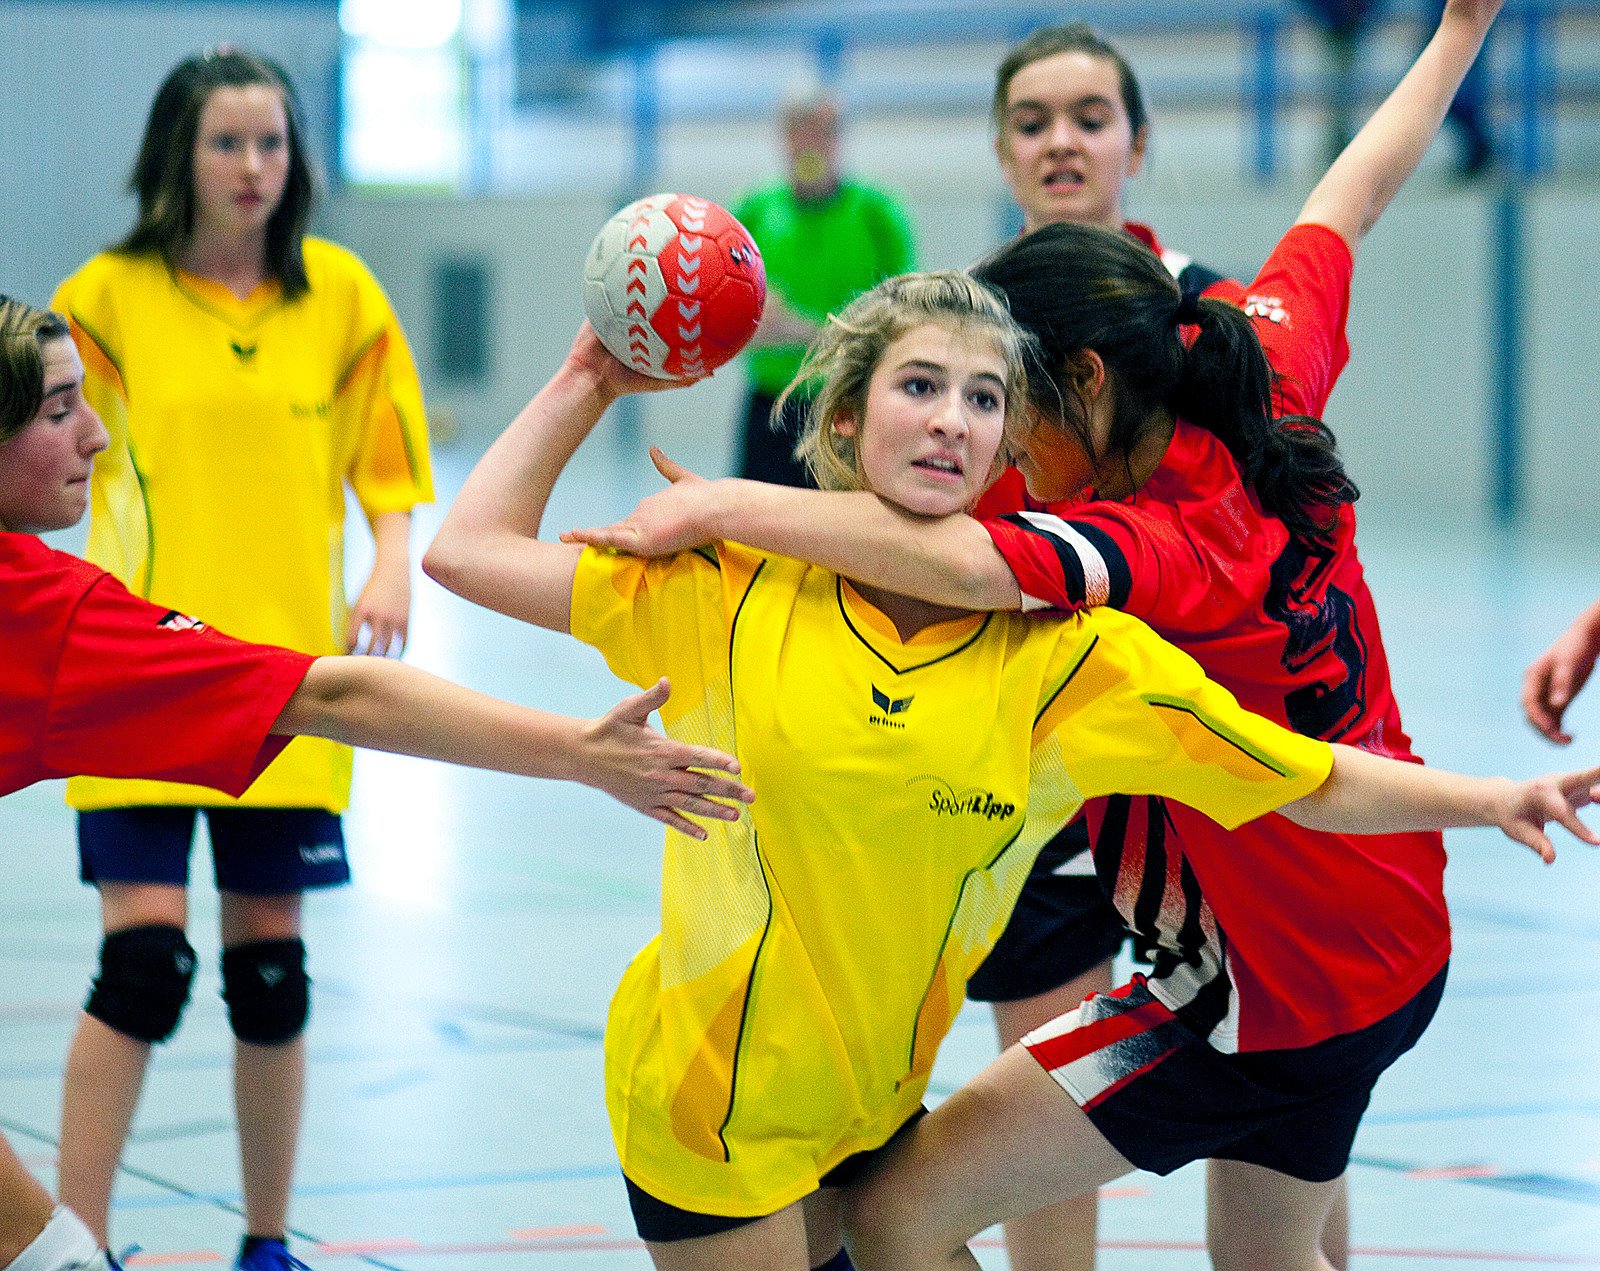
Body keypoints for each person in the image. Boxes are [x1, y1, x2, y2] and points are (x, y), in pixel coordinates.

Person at [568, 4, 1503, 1266]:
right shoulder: (1252, 351)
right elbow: (1354, 190)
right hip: (1389, 935)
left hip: (1248, 978)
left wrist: (725, 504)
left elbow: (964, 559)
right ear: (1004, 152)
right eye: (1032, 119)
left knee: (899, 1205)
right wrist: (1458, 32)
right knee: (1267, 1247)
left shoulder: (1149, 538)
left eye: (1012, 408)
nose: (996, 441)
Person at [423, 266, 1597, 1271]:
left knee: (906, 1213)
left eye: (984, 398)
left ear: (1012, 444)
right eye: (919, 387)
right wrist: (589, 378)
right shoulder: (725, 591)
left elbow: (1305, 775)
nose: (951, 419)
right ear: (844, 423)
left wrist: (1497, 796)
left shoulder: (1069, 658)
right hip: (714, 1103)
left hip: (874, 1104)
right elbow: (468, 554)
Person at [0, 294, 753, 1271]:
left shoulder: (331, 297)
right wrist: (577, 748)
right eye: (59, 409)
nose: (98, 434)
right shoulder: (39, 612)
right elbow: (339, 694)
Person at [48, 48, 434, 1271]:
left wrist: (387, 559)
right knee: (146, 962)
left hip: (288, 678)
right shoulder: (102, 298)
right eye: (227, 143)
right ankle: (74, 1242)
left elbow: (388, 461)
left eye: (272, 143)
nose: (254, 167)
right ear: (180, 155)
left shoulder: (343, 298)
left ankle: (268, 1242)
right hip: (134, 670)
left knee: (271, 971)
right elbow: (42, 457)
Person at [732, 91, 916, 489]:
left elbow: (903, 325)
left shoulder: (877, 214)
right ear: (784, 138)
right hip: (770, 404)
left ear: (839, 139)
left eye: (823, 131)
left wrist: (797, 330)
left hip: (845, 405)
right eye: (799, 130)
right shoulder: (754, 212)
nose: (810, 142)